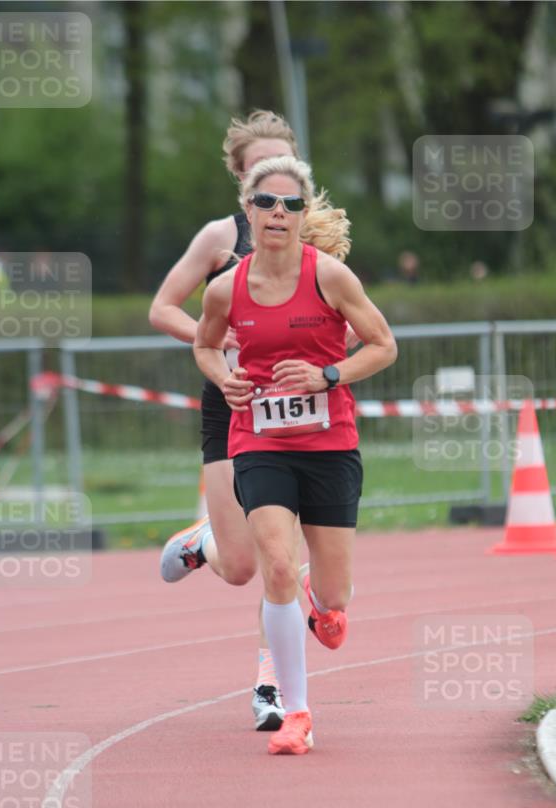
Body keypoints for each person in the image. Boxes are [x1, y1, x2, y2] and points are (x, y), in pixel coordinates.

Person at [151, 111, 353, 732]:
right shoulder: (218, 238)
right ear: (241, 181)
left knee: (279, 561)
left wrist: (327, 368)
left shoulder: (313, 232)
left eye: (284, 173)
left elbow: (344, 314)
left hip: (306, 415)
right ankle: (203, 539)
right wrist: (224, 344)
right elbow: (163, 308)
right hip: (236, 400)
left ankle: (273, 686)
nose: (275, 197)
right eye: (259, 178)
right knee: (240, 565)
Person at [193, 156, 398, 755]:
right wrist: (224, 377)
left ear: (304, 215)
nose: (277, 213)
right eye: (266, 203)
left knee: (333, 595)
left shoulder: (331, 277)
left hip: (330, 444)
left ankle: (322, 606)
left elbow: (384, 346)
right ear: (248, 212)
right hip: (258, 441)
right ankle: (297, 714)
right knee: (277, 565)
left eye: (290, 205)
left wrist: (328, 374)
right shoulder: (226, 288)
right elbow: (206, 346)